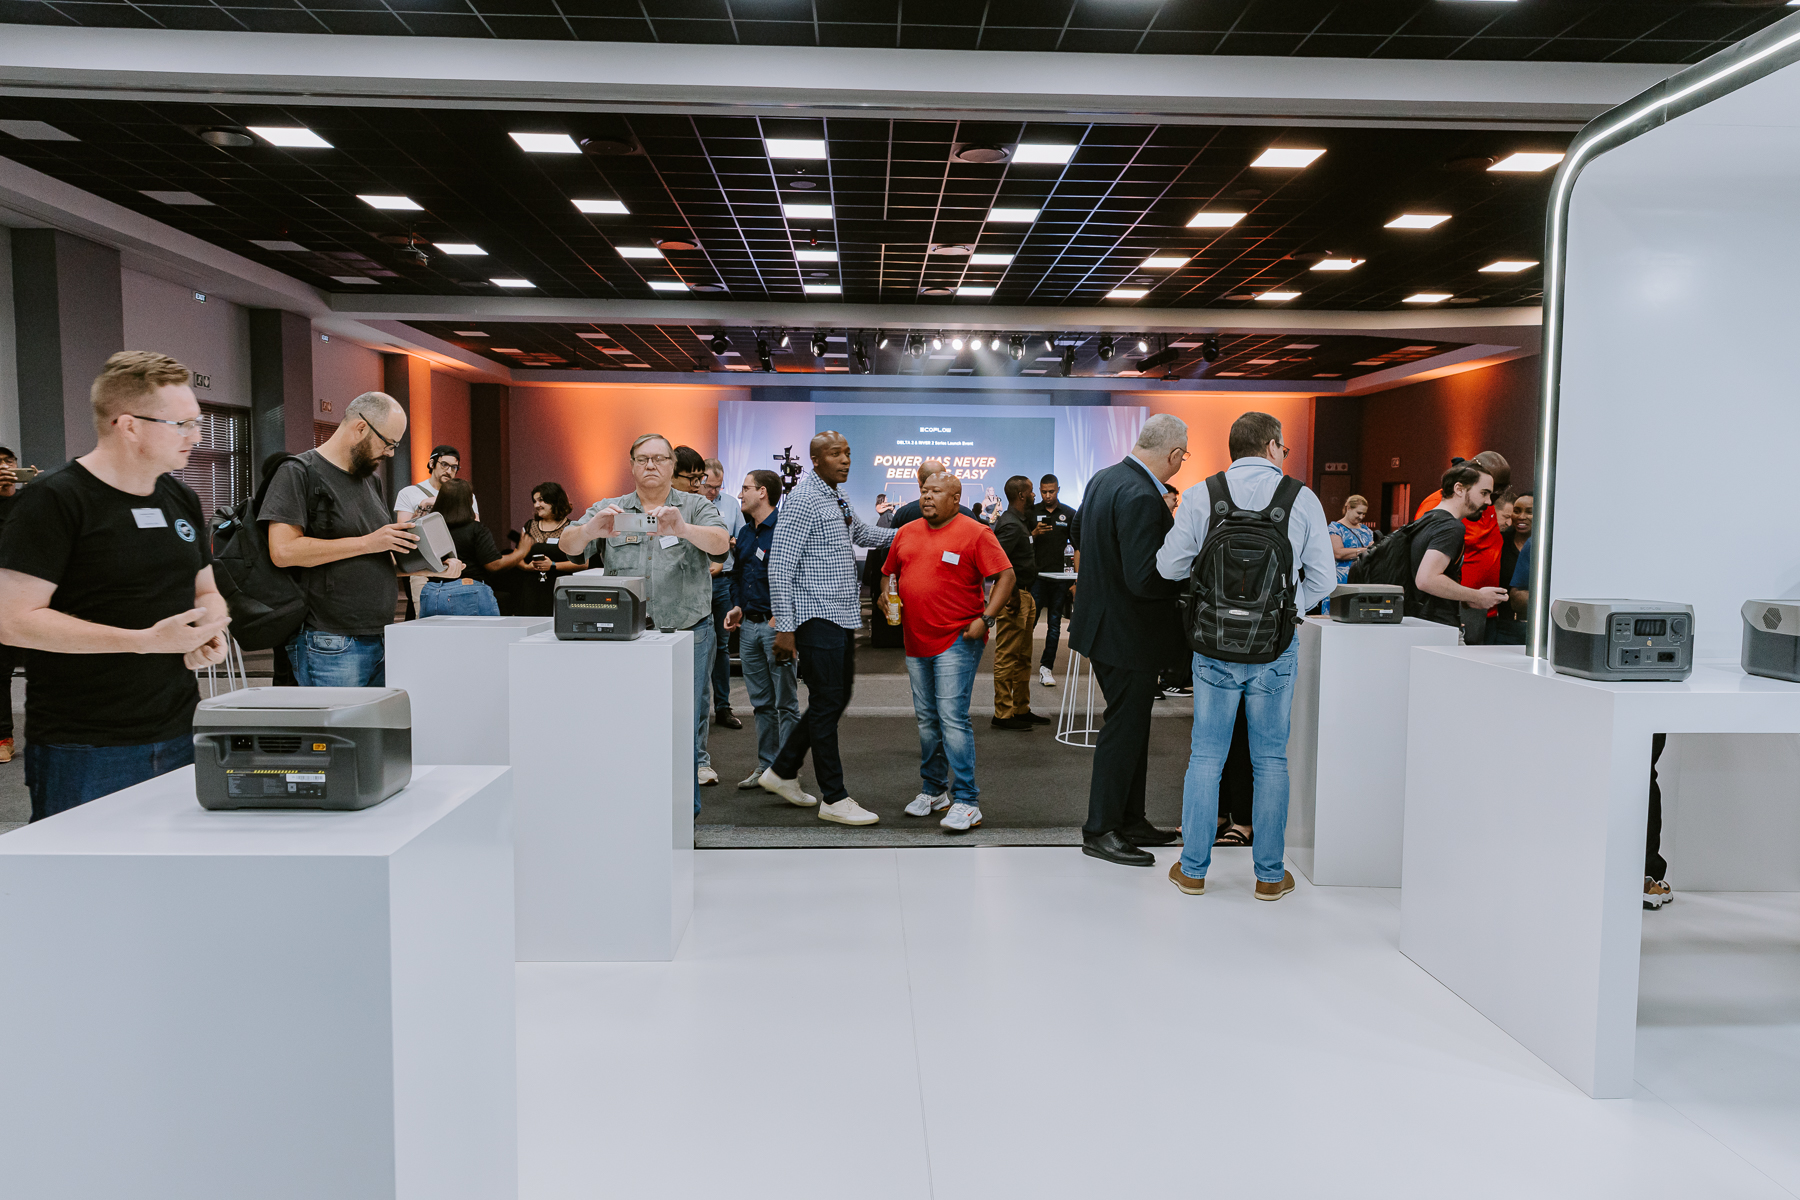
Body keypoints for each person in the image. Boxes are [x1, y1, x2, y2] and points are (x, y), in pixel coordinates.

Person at [0, 351, 230, 820]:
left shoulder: (180, 497)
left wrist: (208, 630)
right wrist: (143, 641)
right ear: (129, 426)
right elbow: (13, 621)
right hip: (84, 744)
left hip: (177, 727)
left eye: (197, 423)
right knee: (84, 867)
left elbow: (205, 590)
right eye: (182, 424)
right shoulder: (54, 500)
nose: (196, 436)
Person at [1157, 411, 1336, 900]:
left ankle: (1193, 870)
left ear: (1233, 448)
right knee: (1270, 761)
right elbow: (1325, 578)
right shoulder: (1301, 498)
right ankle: (1270, 877)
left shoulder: (1202, 495)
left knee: (1206, 756)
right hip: (1275, 649)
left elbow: (1169, 566)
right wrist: (1288, 612)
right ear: (1273, 445)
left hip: (1214, 646)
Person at [561, 434, 730, 811]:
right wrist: (590, 531)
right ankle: (630, 810)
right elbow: (568, 546)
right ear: (632, 465)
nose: (651, 465)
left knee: (682, 725)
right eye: (642, 459)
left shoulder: (695, 505)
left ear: (672, 465)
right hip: (627, 637)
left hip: (686, 632)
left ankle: (683, 816)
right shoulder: (610, 508)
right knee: (625, 722)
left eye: (659, 458)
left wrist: (683, 530)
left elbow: (721, 544)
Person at [265, 393, 460, 686]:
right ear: (360, 428)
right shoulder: (298, 472)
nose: (390, 454)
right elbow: (283, 551)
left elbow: (375, 557)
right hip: (330, 639)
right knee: (342, 717)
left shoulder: (371, 480)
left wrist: (430, 568)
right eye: (388, 443)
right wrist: (369, 542)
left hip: (379, 633)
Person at [1068, 413, 1189, 867]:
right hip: (1128, 632)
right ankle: (1101, 829)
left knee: (1132, 727)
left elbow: (1078, 534)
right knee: (1123, 730)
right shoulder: (1141, 495)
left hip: (1104, 625)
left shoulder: (1105, 477)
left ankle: (1130, 820)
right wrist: (1185, 578)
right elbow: (1144, 579)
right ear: (1174, 455)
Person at [760, 430, 895, 826]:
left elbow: (863, 534)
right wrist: (786, 627)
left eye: (848, 452)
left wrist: (911, 533)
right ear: (816, 460)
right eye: (836, 453)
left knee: (834, 698)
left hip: (841, 614)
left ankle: (782, 770)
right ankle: (834, 797)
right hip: (814, 616)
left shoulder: (838, 495)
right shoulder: (803, 500)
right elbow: (780, 566)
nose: (845, 459)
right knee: (826, 702)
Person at [880, 471, 1015, 831]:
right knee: (927, 719)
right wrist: (883, 593)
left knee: (952, 718)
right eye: (924, 491)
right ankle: (934, 790)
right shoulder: (906, 532)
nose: (927, 496)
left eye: (936, 491)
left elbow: (1006, 576)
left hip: (958, 639)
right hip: (915, 639)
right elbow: (889, 571)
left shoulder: (976, 532)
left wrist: (986, 618)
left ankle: (968, 800)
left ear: (955, 499)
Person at [721, 470, 802, 792]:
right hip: (749, 627)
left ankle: (787, 772)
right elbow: (738, 575)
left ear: (763, 492)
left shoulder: (786, 530)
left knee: (786, 704)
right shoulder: (744, 533)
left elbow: (798, 578)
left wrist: (783, 618)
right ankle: (767, 766)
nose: (740, 494)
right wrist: (737, 606)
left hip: (776, 628)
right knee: (762, 704)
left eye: (745, 488)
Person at [1414, 450, 1509, 645]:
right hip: (1447, 612)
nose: (1490, 500)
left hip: (1472, 607)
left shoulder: (1454, 517)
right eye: (1485, 492)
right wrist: (1474, 595)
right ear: (1460, 488)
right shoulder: (1448, 524)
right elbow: (1426, 579)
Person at [990, 474, 1046, 730]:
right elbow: (996, 562)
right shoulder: (1011, 524)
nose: (1034, 495)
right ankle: (1002, 714)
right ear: (1022, 495)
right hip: (1013, 597)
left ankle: (1020, 708)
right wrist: (1010, 593)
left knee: (1023, 658)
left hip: (1025, 595)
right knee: (1007, 656)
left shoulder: (1020, 522)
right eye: (1032, 491)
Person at [419, 479, 521, 617]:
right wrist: (521, 552)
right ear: (469, 501)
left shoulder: (429, 529)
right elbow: (494, 564)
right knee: (482, 632)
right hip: (469, 589)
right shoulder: (476, 529)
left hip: (431, 590)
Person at [0, 444, 39, 764]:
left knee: (49, 667)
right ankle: (4, 737)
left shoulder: (33, 499)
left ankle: (52, 736)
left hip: (35, 597)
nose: (5, 467)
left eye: (8, 461)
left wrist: (40, 487)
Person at [702, 457, 746, 731]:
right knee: (694, 644)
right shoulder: (686, 504)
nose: (713, 491)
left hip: (723, 583)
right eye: (709, 486)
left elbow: (743, 539)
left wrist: (732, 542)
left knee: (721, 646)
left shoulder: (730, 504)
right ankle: (691, 707)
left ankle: (723, 707)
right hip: (694, 582)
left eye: (718, 487)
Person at [1030, 472, 1079, 688]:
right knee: (1029, 622)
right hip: (1037, 577)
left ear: (1058, 490)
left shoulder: (1069, 513)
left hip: (1060, 578)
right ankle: (1021, 664)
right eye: (1044, 492)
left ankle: (1046, 667)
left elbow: (1077, 547)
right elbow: (1022, 543)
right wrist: (1034, 533)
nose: (1047, 495)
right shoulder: (1032, 512)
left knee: (1054, 624)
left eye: (1051, 491)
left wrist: (1077, 580)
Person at [512, 482, 587, 618]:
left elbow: (583, 563)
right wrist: (526, 567)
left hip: (560, 589)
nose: (536, 505)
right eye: (534, 501)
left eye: (541, 500)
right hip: (531, 591)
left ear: (555, 501)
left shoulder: (571, 528)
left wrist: (552, 565)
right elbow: (516, 556)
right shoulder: (529, 527)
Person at [1492, 490, 1533, 644]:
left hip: (1537, 626)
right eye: (1517, 511)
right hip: (1504, 625)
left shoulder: (1547, 546)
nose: (1521, 516)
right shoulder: (1499, 541)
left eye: (1529, 512)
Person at [394, 444, 477, 519]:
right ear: (431, 463)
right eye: (444, 464)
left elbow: (475, 526)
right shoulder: (408, 493)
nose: (449, 471)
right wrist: (423, 505)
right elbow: (404, 529)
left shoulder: (465, 495)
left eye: (454, 467)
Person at [1326, 494, 1375, 614]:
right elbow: (1338, 553)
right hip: (1342, 580)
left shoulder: (1366, 530)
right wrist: (1365, 550)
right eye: (1359, 513)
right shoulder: (1335, 528)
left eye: (1364, 514)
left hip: (1362, 579)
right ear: (1348, 508)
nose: (1361, 517)